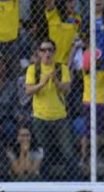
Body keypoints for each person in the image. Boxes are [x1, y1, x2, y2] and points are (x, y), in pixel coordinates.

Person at [24, 38, 77, 180]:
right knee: (43, 152)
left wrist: (56, 81)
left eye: (50, 50)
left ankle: (72, 182)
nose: (47, 53)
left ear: (54, 52)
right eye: (43, 50)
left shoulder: (61, 68)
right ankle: (44, 181)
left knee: (68, 152)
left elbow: (67, 89)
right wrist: (42, 83)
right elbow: (28, 91)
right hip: (40, 117)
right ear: (39, 53)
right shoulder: (33, 69)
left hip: (60, 117)